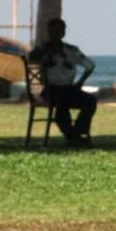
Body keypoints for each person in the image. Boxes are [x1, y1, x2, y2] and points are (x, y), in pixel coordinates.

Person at [28, 17, 97, 146]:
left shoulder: (71, 50)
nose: (54, 34)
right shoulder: (41, 49)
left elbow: (90, 65)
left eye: (58, 31)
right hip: (50, 90)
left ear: (63, 33)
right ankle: (73, 136)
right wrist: (45, 50)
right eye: (52, 31)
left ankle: (77, 133)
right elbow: (31, 57)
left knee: (90, 101)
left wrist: (80, 82)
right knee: (63, 103)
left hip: (69, 88)